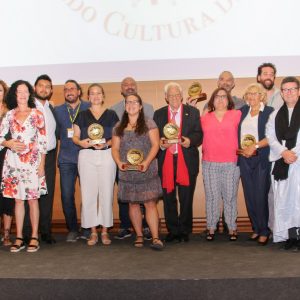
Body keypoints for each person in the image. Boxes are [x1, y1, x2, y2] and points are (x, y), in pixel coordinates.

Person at [112, 93, 164, 250]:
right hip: (127, 173)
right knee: (133, 205)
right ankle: (139, 235)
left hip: (147, 170)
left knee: (150, 204)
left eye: (135, 102)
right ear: (125, 106)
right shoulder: (118, 126)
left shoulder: (150, 123)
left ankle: (155, 238)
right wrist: (119, 162)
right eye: (128, 102)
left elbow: (155, 145)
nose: (131, 105)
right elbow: (114, 148)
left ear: (141, 106)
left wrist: (146, 163)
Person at [0, 80, 47, 252]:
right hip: (13, 163)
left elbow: (43, 142)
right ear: (14, 94)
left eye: (25, 91)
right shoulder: (9, 115)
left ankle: (34, 236)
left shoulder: (37, 114)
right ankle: (19, 236)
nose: (22, 94)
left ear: (29, 93)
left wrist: (42, 165)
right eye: (18, 91)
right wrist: (8, 143)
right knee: (18, 200)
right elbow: (0, 137)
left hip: (33, 162)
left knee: (33, 200)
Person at [153, 82, 203, 243]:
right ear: (166, 97)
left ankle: (185, 230)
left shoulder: (193, 112)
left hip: (187, 160)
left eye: (177, 95)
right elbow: (155, 138)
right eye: (171, 95)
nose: (174, 98)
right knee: (168, 198)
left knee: (186, 197)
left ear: (181, 96)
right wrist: (161, 143)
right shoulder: (158, 114)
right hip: (165, 160)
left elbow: (199, 134)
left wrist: (189, 140)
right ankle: (173, 230)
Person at [73, 83, 119, 246]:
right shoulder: (82, 114)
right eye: (92, 93)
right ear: (88, 97)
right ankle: (93, 232)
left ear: (103, 96)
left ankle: (105, 231)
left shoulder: (112, 114)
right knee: (88, 194)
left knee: (107, 193)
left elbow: (117, 137)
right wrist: (82, 143)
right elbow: (75, 136)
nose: (95, 96)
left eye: (98, 93)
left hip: (107, 155)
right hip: (87, 155)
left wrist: (107, 144)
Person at [111, 77, 153, 240]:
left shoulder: (149, 108)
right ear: (121, 90)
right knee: (125, 195)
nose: (129, 87)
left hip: (144, 160)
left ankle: (145, 227)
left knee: (145, 195)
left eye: (132, 85)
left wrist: (146, 160)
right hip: (123, 160)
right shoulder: (113, 110)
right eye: (125, 85)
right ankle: (125, 225)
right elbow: (115, 137)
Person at [201, 87, 241, 241]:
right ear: (212, 100)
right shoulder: (205, 117)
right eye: (217, 96)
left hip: (231, 163)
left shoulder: (237, 114)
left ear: (229, 100)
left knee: (230, 197)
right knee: (212, 197)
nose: (220, 99)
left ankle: (232, 227)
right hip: (209, 163)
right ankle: (211, 227)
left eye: (224, 96)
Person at [266, 76, 300, 249]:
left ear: (299, 91)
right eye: (285, 90)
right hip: (282, 161)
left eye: (292, 89)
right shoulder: (275, 115)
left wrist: (293, 153)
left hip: (298, 161)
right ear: (281, 93)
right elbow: (270, 137)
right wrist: (283, 152)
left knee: (298, 200)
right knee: (285, 201)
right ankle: (291, 236)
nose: (289, 92)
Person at [54, 80, 90, 242]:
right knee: (67, 195)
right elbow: (54, 134)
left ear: (79, 92)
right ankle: (73, 229)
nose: (69, 91)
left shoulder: (89, 107)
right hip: (66, 159)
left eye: (72, 88)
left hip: (87, 156)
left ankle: (88, 227)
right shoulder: (58, 110)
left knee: (88, 194)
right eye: (66, 89)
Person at [238, 83, 274, 245]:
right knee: (250, 195)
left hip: (261, 158)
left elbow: (273, 136)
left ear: (261, 96)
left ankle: (265, 230)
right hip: (244, 158)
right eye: (249, 94)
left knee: (260, 195)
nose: (251, 97)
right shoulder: (242, 112)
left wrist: (256, 146)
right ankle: (256, 228)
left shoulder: (269, 112)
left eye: (255, 94)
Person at [31, 74, 57, 244]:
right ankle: (28, 233)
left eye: (47, 86)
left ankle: (45, 231)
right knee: (31, 195)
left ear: (51, 90)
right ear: (35, 88)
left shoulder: (50, 108)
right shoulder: (27, 107)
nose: (44, 89)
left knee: (47, 194)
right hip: (31, 157)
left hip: (49, 155)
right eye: (41, 85)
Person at [0, 80, 14, 246]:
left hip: (7, 156)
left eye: (0, 90)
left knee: (7, 194)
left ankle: (7, 234)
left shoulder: (11, 112)